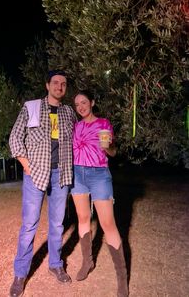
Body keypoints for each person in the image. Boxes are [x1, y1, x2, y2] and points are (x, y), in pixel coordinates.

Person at [8, 70, 77, 297]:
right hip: (35, 174)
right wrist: (26, 165)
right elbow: (15, 137)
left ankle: (55, 264)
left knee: (57, 224)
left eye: (63, 84)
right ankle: (20, 274)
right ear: (47, 85)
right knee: (29, 225)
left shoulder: (68, 112)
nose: (59, 86)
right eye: (55, 82)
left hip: (61, 175)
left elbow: (79, 141)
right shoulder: (32, 107)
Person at [71, 90, 128, 297]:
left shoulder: (104, 123)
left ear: (92, 102)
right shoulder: (75, 127)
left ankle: (122, 278)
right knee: (83, 217)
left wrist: (108, 147)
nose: (81, 107)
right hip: (77, 173)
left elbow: (113, 152)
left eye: (84, 102)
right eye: (77, 104)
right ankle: (88, 262)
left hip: (99, 175)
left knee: (107, 224)